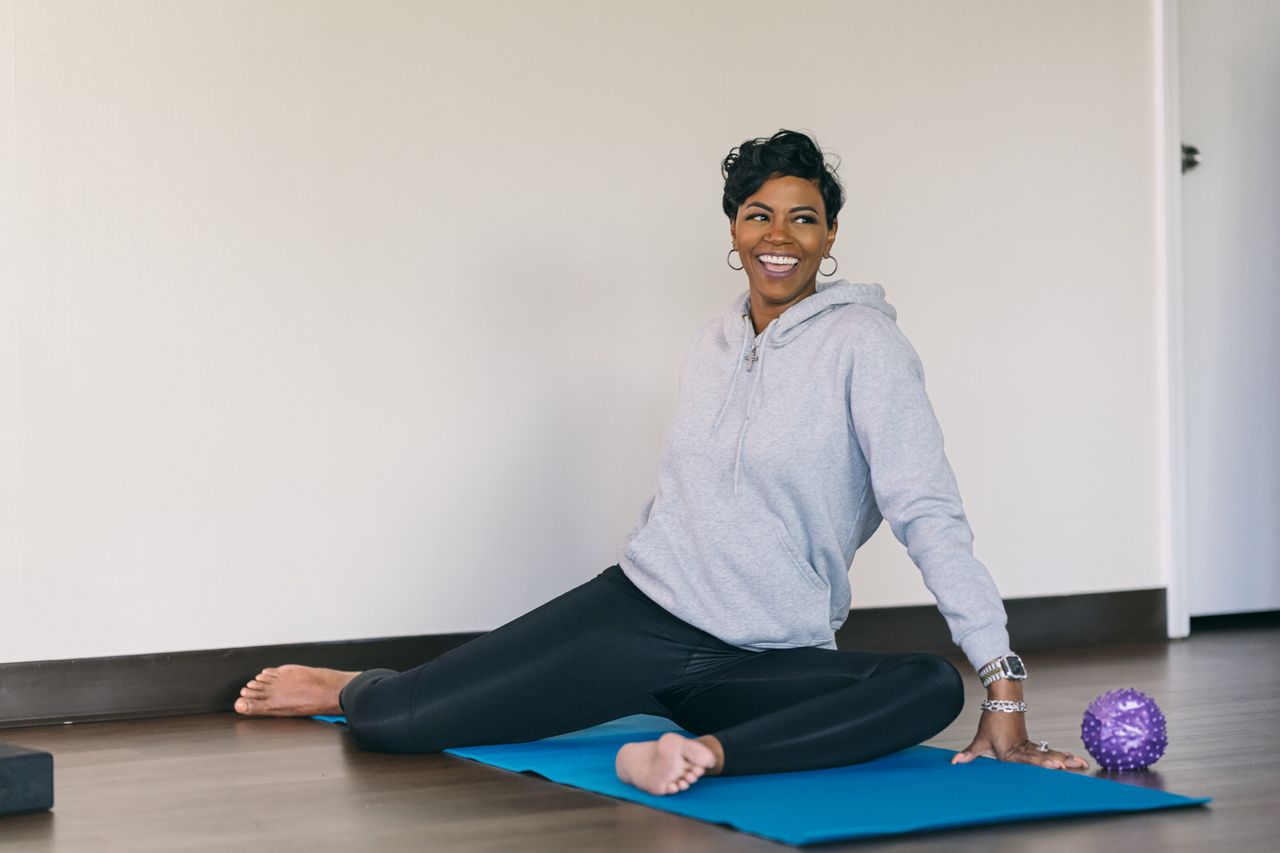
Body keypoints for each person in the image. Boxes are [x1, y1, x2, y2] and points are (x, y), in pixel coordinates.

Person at [235, 129, 1088, 795]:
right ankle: (354, 683)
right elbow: (690, 494)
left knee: (926, 690)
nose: (779, 237)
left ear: (832, 235)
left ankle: (699, 755)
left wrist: (1002, 686)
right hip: (642, 615)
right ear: (734, 228)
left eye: (802, 218)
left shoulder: (868, 346)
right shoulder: (711, 344)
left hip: (764, 655)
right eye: (760, 214)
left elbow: (928, 511)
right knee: (395, 721)